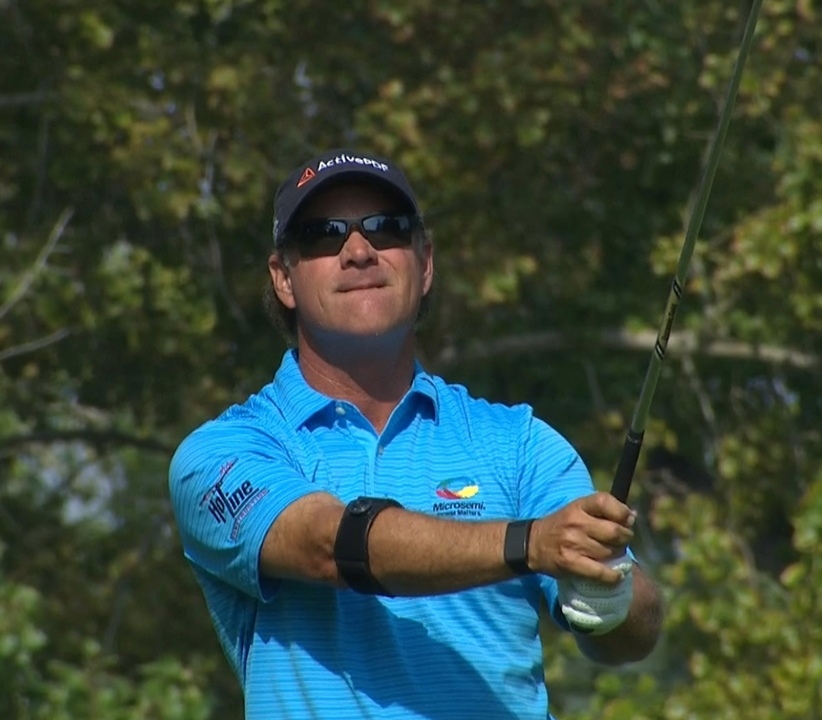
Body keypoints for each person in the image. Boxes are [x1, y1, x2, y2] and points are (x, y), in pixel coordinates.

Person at [169, 149, 664, 720]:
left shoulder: (519, 442)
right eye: (324, 235)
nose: (359, 251)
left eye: (386, 228)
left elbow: (631, 636)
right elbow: (327, 546)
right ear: (283, 278)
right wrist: (530, 544)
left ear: (424, 263)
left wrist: (609, 594)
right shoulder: (222, 454)